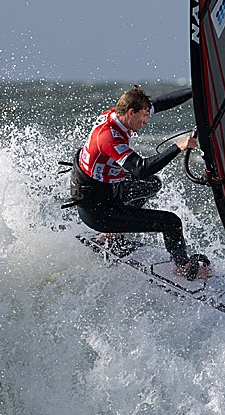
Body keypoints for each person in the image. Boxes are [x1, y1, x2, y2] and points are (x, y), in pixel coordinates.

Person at [66, 85, 212, 281]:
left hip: (108, 189)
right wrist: (178, 146)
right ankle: (182, 267)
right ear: (130, 112)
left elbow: (161, 103)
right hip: (98, 210)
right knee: (171, 223)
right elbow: (141, 169)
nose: (145, 121)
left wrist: (199, 89)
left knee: (152, 184)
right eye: (143, 116)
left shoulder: (117, 115)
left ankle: (112, 235)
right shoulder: (109, 136)